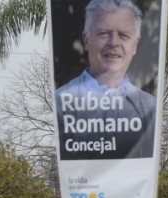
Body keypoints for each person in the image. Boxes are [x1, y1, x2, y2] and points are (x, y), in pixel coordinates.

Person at [55, 0, 156, 160]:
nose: (114, 43)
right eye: (103, 34)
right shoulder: (59, 103)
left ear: (135, 45)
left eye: (123, 35)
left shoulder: (151, 109)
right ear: (86, 39)